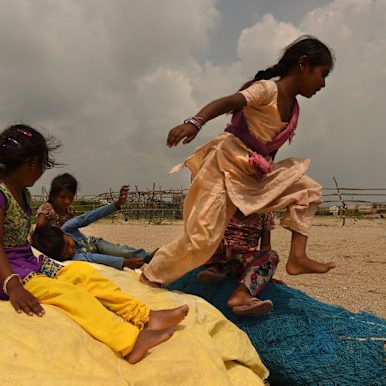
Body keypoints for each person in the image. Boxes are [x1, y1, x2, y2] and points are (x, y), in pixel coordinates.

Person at [0, 124, 188, 364]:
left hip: (21, 260)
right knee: (68, 293)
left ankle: (144, 316)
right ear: (33, 164)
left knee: (81, 273)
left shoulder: (22, 194)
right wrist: (13, 286)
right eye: (43, 165)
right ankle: (129, 341)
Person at [141, 35, 337, 287]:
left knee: (308, 189)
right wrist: (194, 123)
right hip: (224, 166)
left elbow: (270, 146)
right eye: (322, 74)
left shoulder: (295, 108)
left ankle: (297, 258)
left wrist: (266, 181)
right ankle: (151, 278)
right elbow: (227, 102)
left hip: (254, 172)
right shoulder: (267, 89)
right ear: (303, 64)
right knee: (202, 240)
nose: (322, 83)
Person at [36, 183, 152, 269]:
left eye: (68, 244)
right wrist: (124, 263)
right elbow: (95, 258)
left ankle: (148, 256)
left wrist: (116, 204)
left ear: (63, 234)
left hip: (95, 244)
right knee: (114, 260)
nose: (70, 249)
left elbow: (90, 216)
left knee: (121, 251)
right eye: (65, 253)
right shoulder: (74, 257)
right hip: (94, 253)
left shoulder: (68, 227)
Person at [197, 210, 279, 316]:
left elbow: (265, 247)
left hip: (243, 260)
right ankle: (215, 269)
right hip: (221, 253)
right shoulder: (223, 204)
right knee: (211, 236)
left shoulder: (264, 212)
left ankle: (240, 294)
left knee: (271, 255)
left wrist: (266, 274)